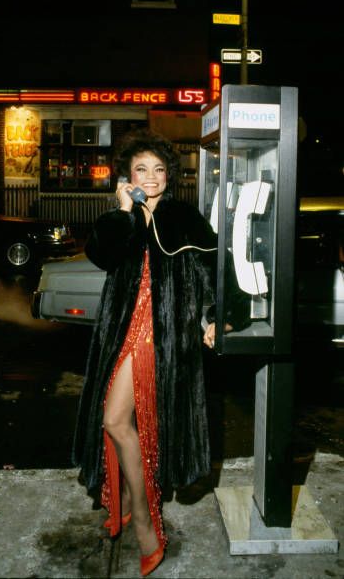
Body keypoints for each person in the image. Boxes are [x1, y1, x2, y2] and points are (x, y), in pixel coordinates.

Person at [72, 129, 248, 576]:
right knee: (115, 422)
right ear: (126, 176)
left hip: (161, 335)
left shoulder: (184, 217)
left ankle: (147, 524)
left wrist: (213, 316)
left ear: (169, 176)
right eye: (140, 170)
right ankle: (130, 497)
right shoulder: (124, 217)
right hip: (121, 331)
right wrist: (124, 211)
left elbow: (212, 272)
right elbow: (99, 255)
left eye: (158, 170)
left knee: (116, 419)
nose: (150, 178)